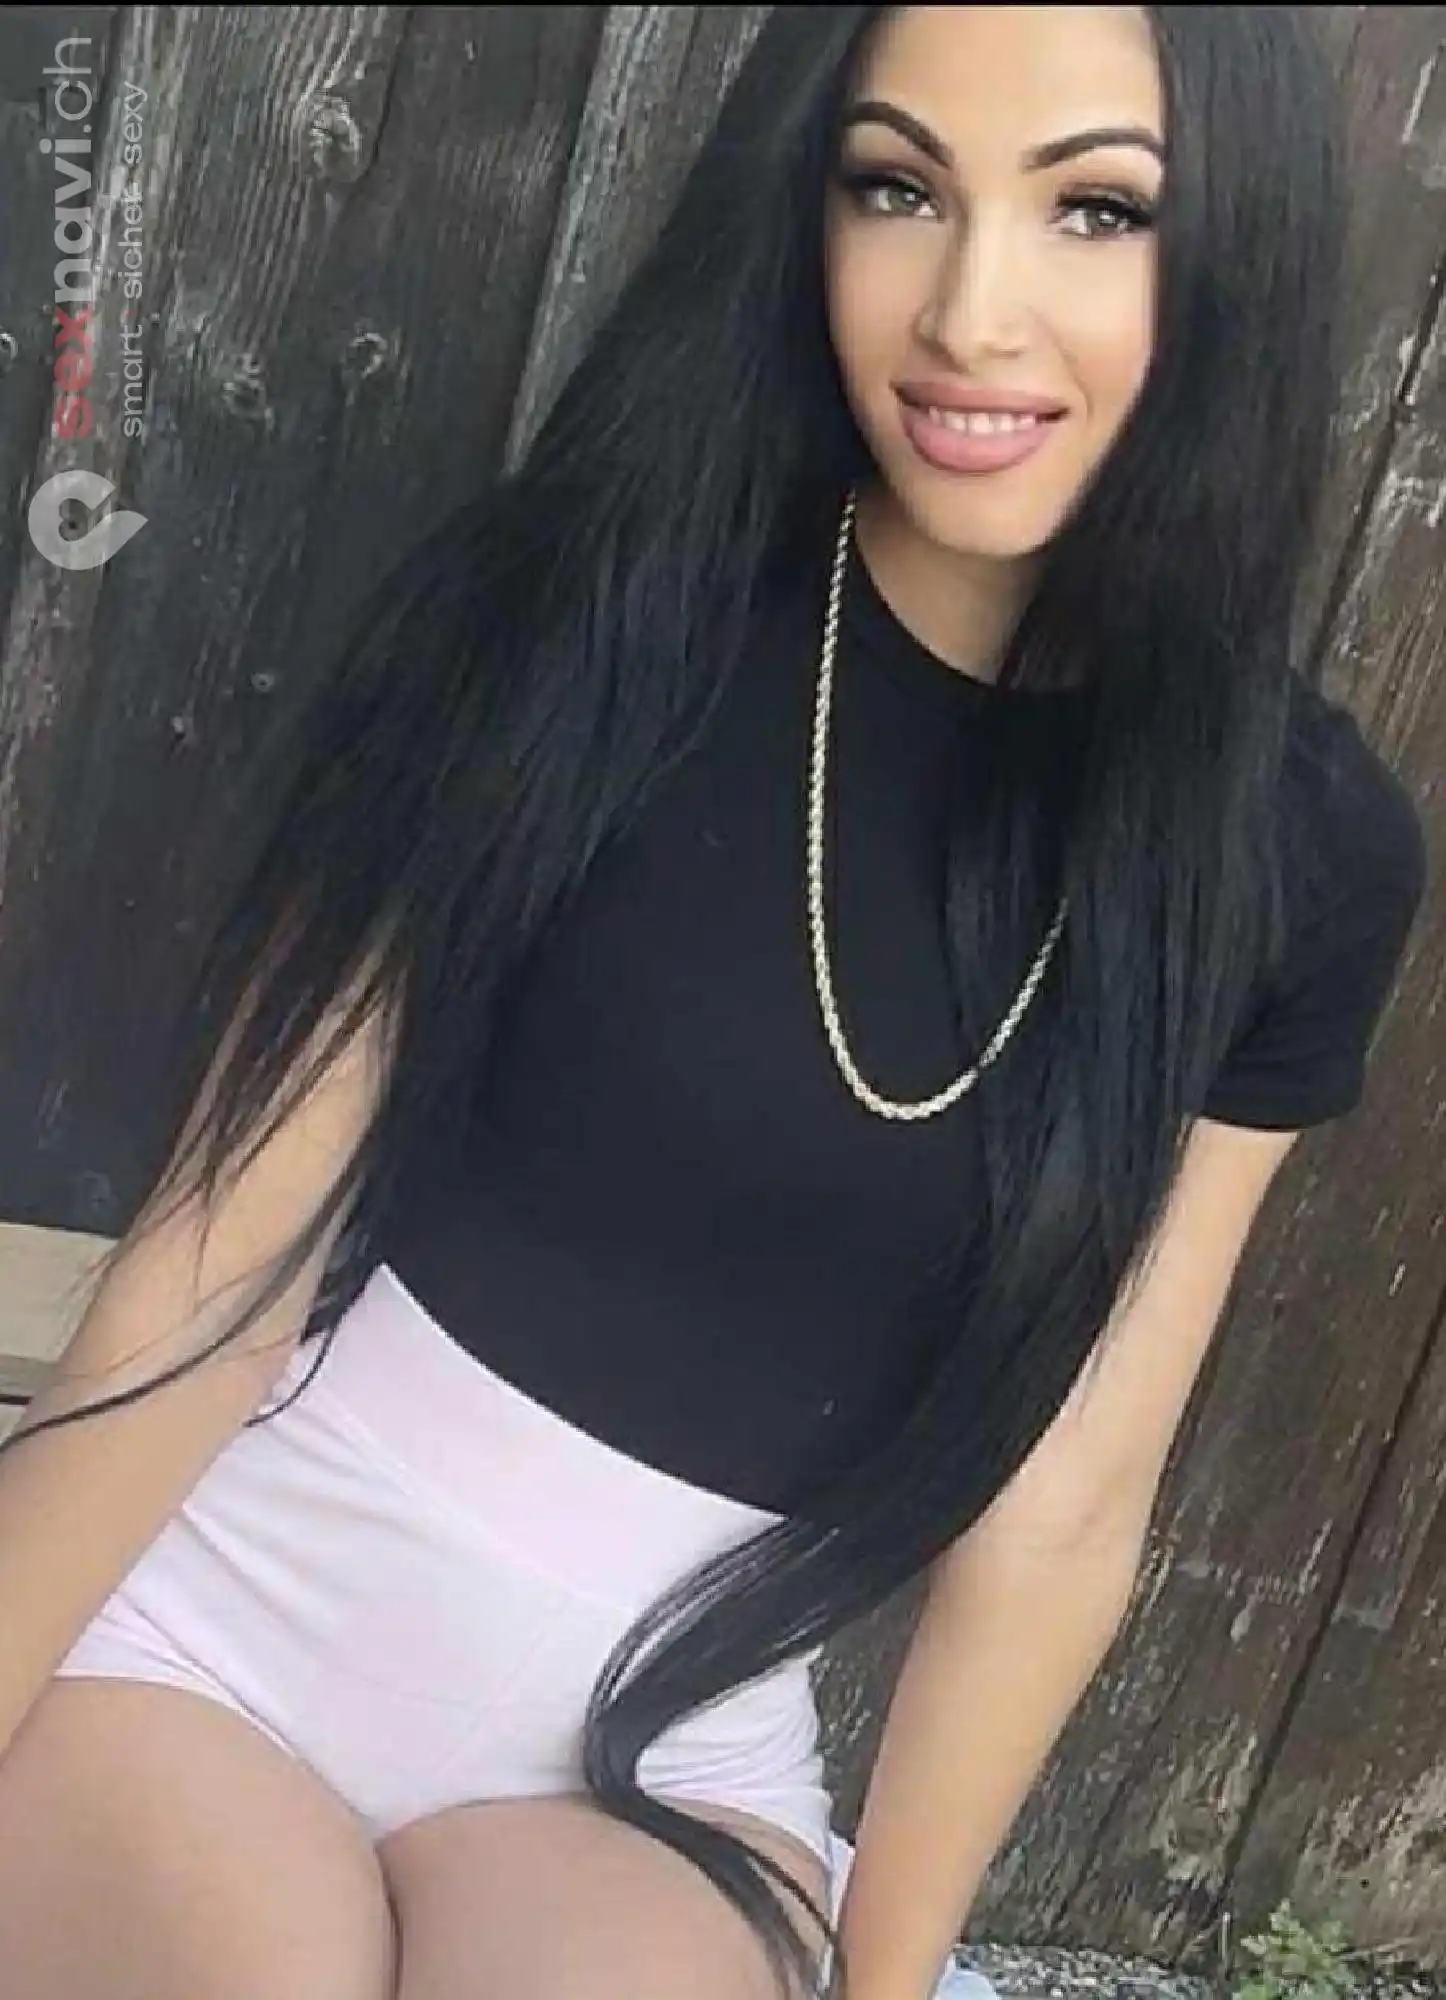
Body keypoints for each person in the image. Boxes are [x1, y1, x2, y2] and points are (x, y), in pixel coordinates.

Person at [0, 7, 1428, 1998]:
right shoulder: (590, 606)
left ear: (1238, 248)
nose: (971, 312)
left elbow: (1067, 1503)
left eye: (1098, 210)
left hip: (655, 1753)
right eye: (897, 187)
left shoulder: (1294, 852)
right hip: (221, 1613)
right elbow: (214, 1254)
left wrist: (881, 1982)